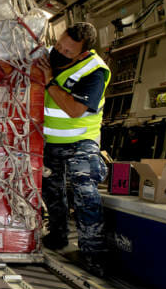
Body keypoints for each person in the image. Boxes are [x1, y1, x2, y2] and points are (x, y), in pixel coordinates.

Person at [36, 22, 111, 275]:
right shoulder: (48, 56)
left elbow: (75, 110)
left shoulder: (94, 71)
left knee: (84, 191)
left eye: (67, 52)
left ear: (81, 54)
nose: (58, 52)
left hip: (81, 141)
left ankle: (94, 255)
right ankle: (57, 238)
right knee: (52, 192)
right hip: (50, 142)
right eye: (58, 45)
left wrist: (50, 83)